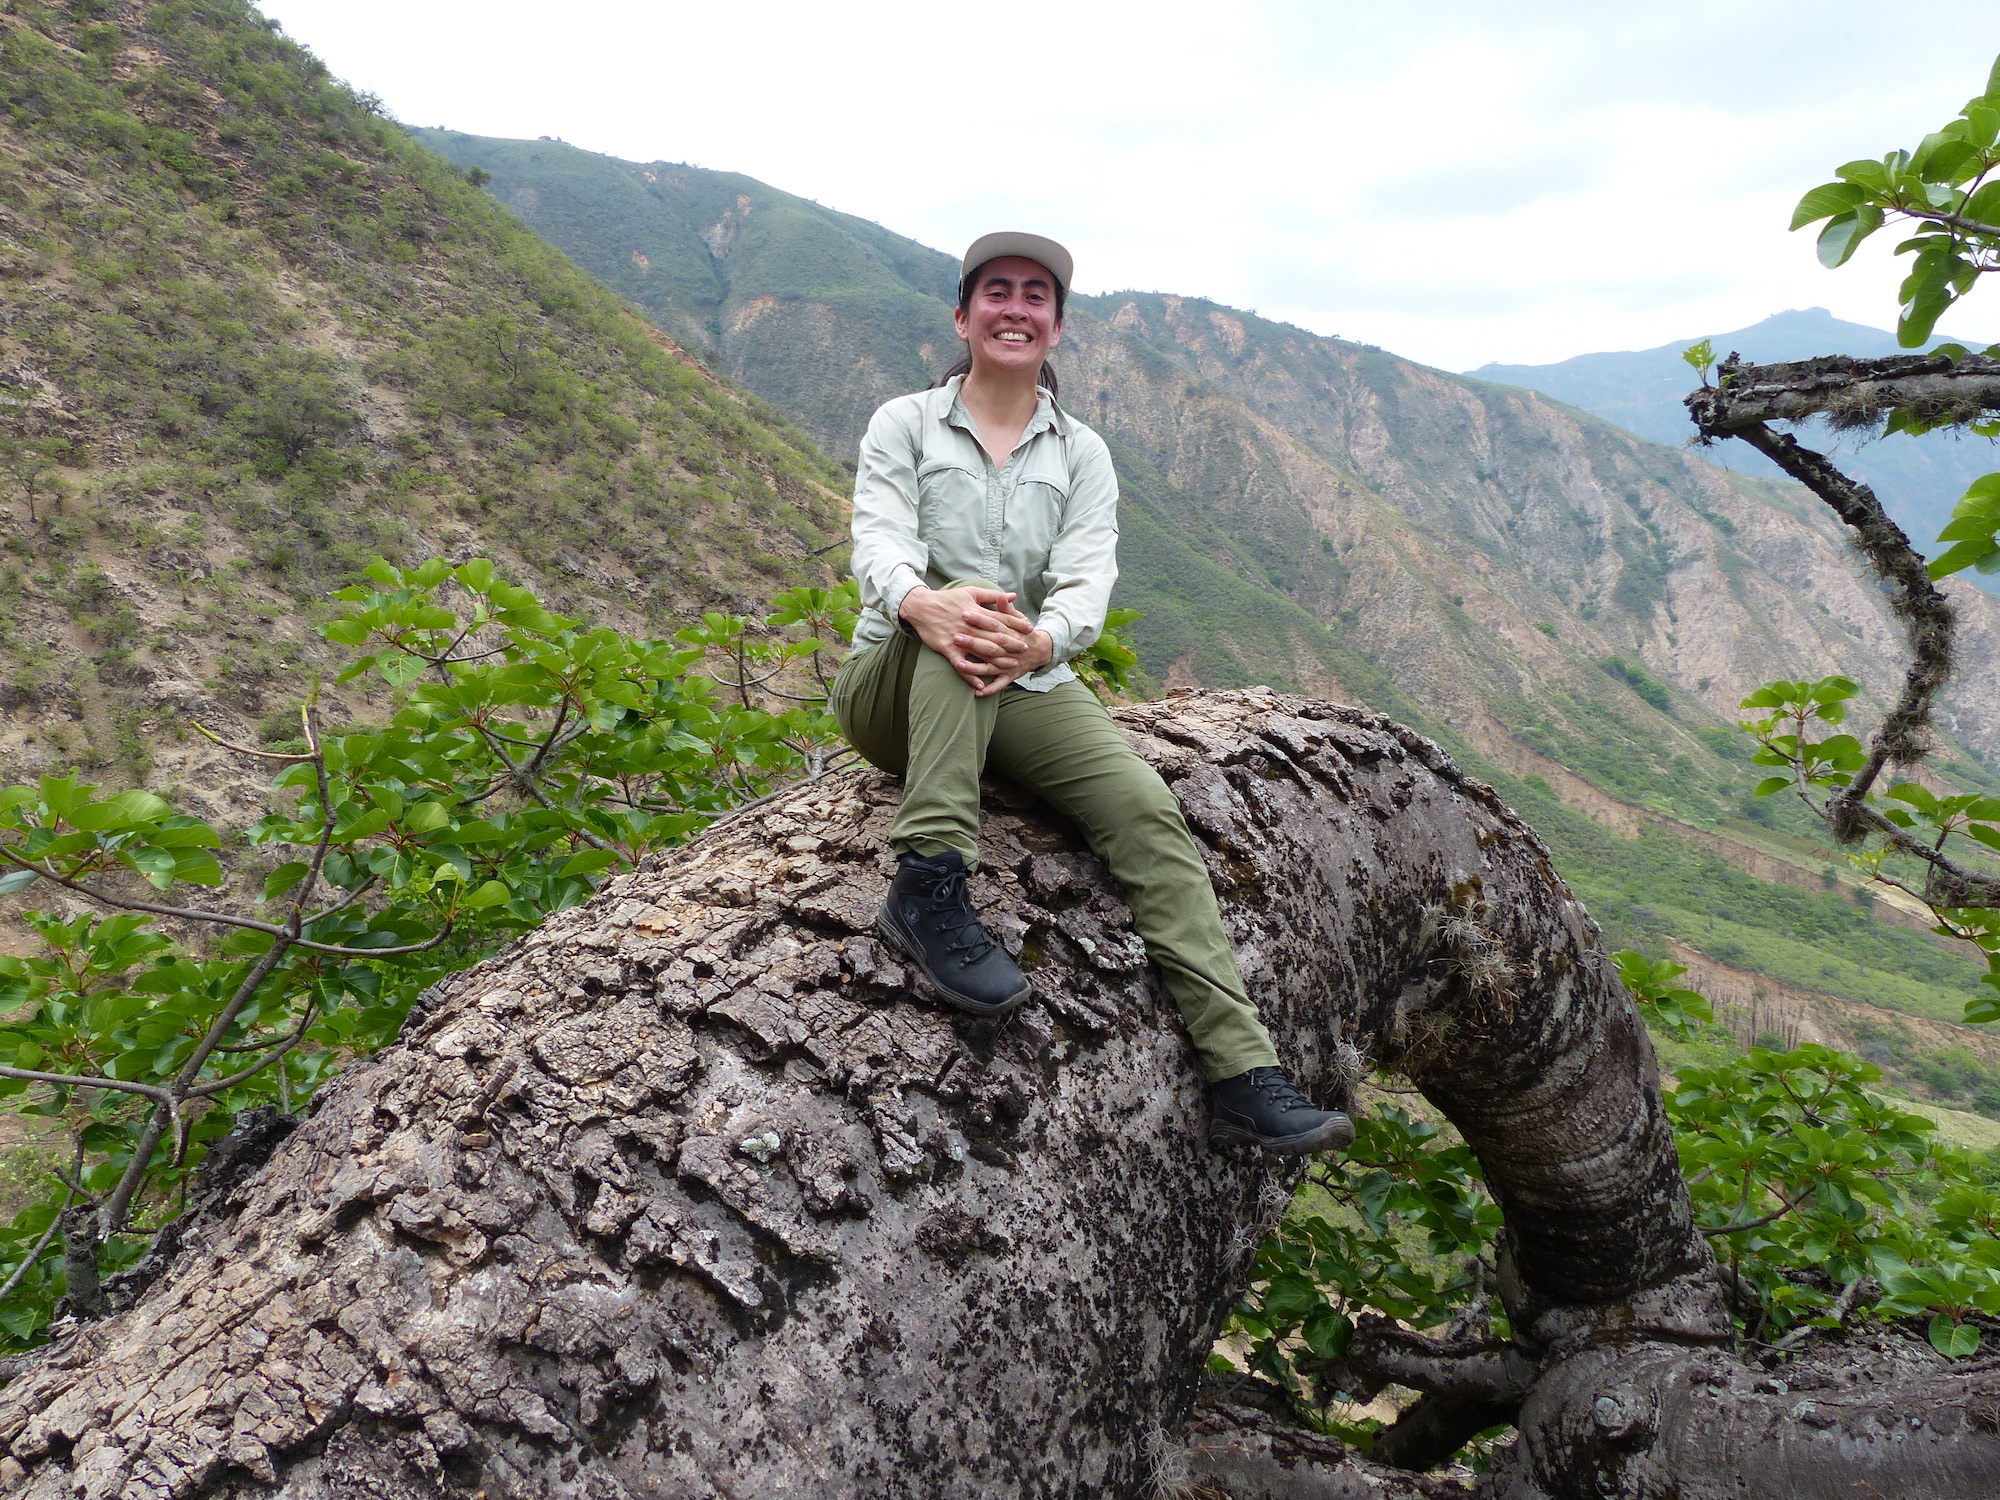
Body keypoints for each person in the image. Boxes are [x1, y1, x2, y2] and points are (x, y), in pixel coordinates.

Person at [827, 232, 1350, 1157]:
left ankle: (1241, 1071)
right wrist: (924, 605)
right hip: (892, 680)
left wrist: (1042, 640)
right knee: (963, 625)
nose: (1015, 307)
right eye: (997, 291)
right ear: (964, 315)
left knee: (1145, 810)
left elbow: (1084, 585)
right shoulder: (902, 423)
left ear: (1057, 326)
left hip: (1021, 673)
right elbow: (876, 541)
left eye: (1036, 294)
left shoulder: (1083, 454)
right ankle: (929, 882)